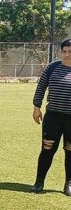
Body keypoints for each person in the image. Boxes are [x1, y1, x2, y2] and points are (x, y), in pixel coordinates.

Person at [32, 38, 71, 195]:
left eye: (70, 52)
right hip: (53, 117)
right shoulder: (53, 67)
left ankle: (68, 183)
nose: (67, 54)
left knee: (70, 150)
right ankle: (39, 181)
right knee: (47, 149)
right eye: (64, 51)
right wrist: (36, 107)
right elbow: (41, 87)